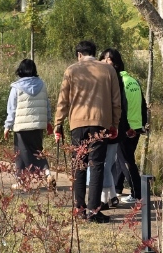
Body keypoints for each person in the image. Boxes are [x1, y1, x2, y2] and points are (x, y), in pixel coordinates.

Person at [53, 40, 121, 223]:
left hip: (77, 124)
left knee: (79, 165)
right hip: (101, 122)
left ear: (79, 55)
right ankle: (93, 210)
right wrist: (114, 124)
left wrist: (58, 123)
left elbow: (63, 101)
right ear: (94, 52)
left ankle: (79, 208)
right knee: (97, 165)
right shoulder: (108, 70)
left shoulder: (71, 70)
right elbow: (116, 101)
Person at [100, 48, 147, 204]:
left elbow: (121, 107)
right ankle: (118, 187)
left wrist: (126, 127)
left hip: (126, 127)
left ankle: (137, 193)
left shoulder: (117, 82)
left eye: (107, 59)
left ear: (115, 63)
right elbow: (143, 103)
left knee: (126, 161)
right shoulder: (133, 81)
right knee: (122, 159)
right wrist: (143, 124)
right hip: (136, 125)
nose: (104, 62)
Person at [4, 58, 51, 189]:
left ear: (20, 70)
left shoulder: (16, 88)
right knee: (36, 151)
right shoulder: (42, 85)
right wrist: (48, 121)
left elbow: (12, 109)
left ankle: (37, 176)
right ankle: (38, 175)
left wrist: (7, 126)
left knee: (22, 153)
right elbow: (47, 105)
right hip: (38, 126)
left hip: (22, 126)